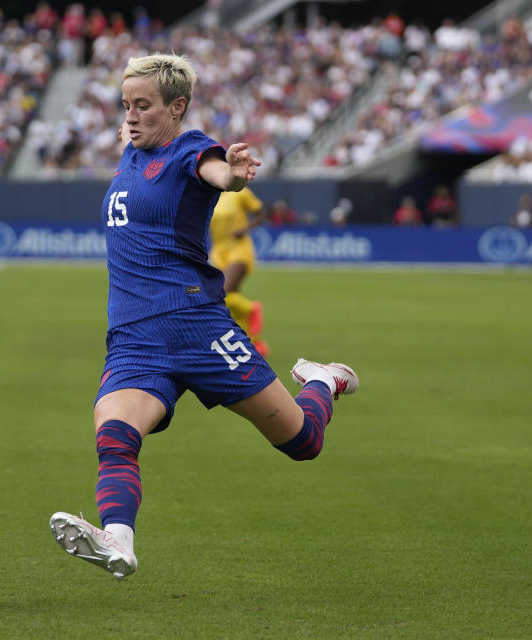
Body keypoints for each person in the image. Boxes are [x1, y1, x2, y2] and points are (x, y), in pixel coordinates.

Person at [49, 54, 359, 580]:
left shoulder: (188, 148)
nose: (131, 116)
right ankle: (118, 541)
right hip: (133, 339)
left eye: (143, 106)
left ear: (177, 107)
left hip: (196, 327)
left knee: (303, 442)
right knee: (115, 433)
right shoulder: (131, 152)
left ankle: (324, 380)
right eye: (126, 105)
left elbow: (215, 171)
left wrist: (232, 176)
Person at [208, 186, 269, 355]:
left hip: (238, 250)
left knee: (223, 292)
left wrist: (245, 228)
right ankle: (255, 344)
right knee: (230, 302)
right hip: (218, 252)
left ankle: (252, 309)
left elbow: (262, 212)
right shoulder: (210, 195)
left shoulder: (239, 192)